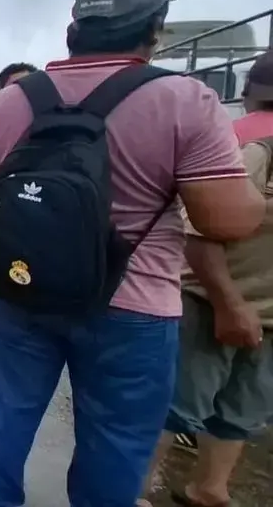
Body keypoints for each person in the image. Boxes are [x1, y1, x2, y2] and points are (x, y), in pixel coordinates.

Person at [0, 0, 264, 507]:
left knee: (7, 411)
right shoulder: (183, 100)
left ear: (74, 31)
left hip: (21, 291)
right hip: (132, 306)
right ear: (153, 31)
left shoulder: (6, 103)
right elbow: (226, 222)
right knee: (116, 444)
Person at [142, 51, 273, 507]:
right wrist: (229, 303)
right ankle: (129, 490)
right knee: (176, 405)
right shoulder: (253, 148)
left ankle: (209, 489)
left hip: (260, 310)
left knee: (243, 409)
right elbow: (199, 234)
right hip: (214, 300)